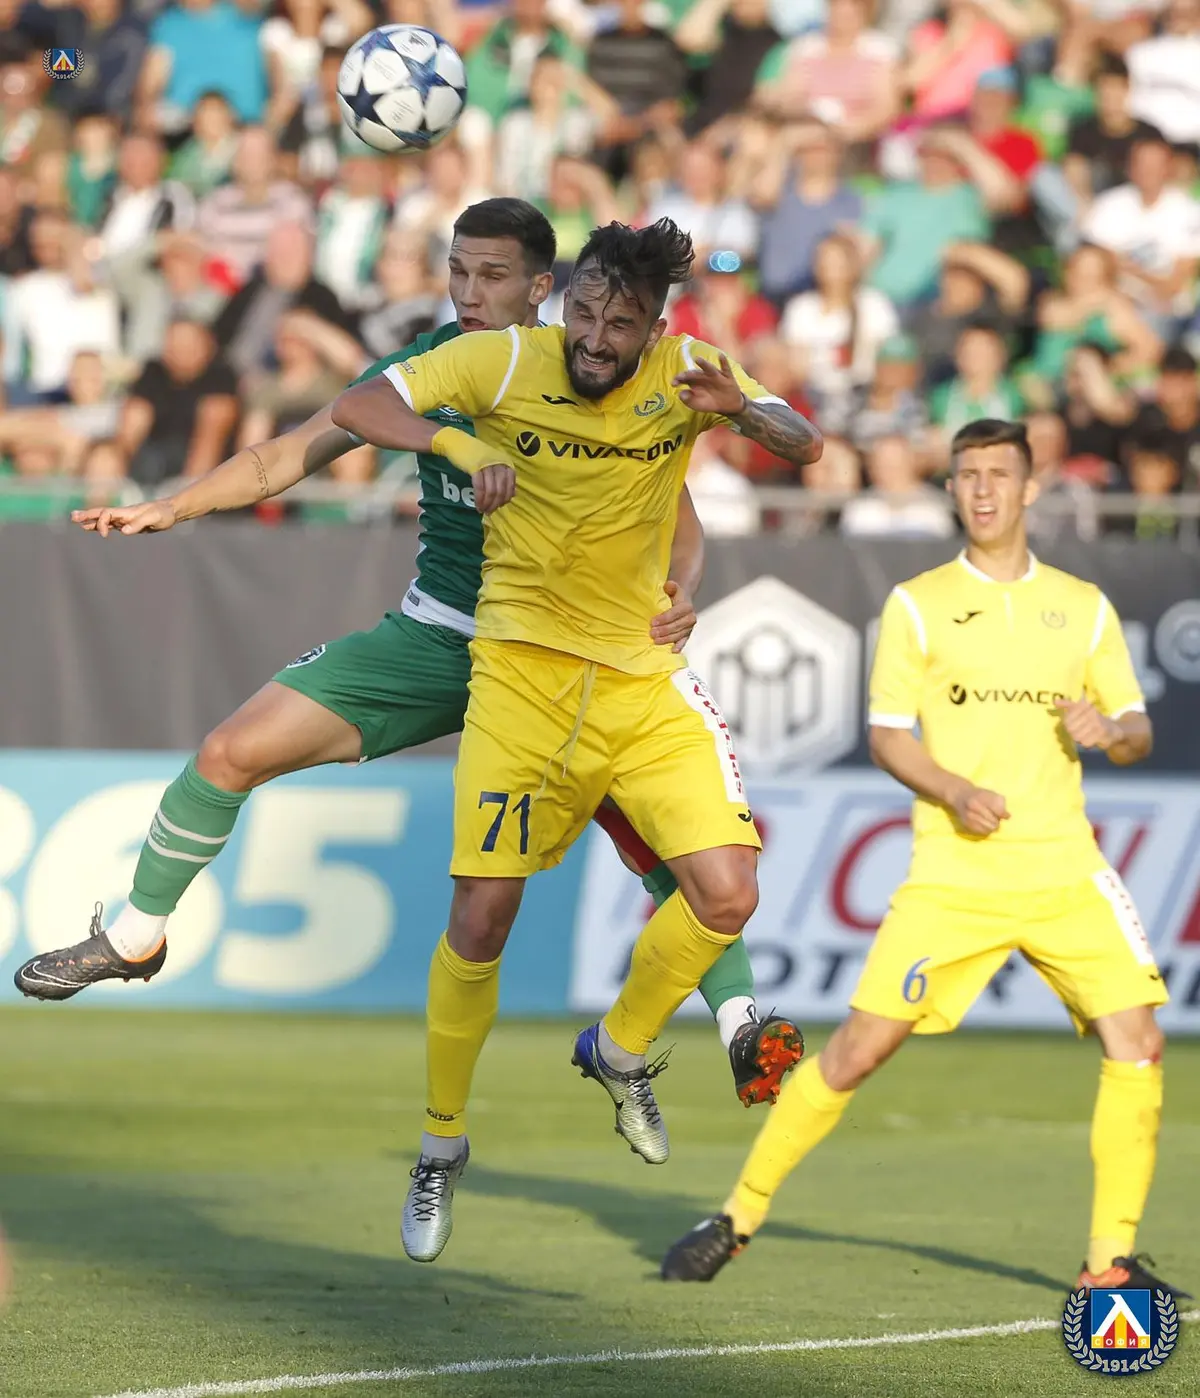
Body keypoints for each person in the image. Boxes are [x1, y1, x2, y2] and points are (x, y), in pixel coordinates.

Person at [14, 199, 800, 1164]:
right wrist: (174, 506)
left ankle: (730, 1023)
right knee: (230, 751)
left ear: (543, 288)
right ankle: (137, 935)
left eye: (493, 276)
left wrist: (682, 589)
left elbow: (676, 511)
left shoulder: (604, 371)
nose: (469, 292)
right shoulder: (435, 368)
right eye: (458, 272)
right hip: (440, 640)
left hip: (571, 662)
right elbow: (290, 452)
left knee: (678, 862)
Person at [331, 216, 822, 1264]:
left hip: (642, 683)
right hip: (521, 678)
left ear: (657, 329)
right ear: (564, 301)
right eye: (585, 313)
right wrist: (455, 440)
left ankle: (621, 1047)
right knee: (482, 918)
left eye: (621, 323)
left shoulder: (690, 372)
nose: (596, 338)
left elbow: (804, 441)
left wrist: (743, 409)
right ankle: (442, 1143)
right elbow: (358, 405)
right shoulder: (505, 359)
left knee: (727, 893)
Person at [661, 417, 1188, 1304]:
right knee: (856, 1053)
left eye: (999, 474)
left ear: (1029, 488)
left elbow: (1135, 729)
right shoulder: (918, 603)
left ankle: (1109, 1261)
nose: (983, 489)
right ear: (950, 489)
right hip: (954, 876)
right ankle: (736, 1217)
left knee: (1137, 1043)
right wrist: (953, 788)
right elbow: (887, 735)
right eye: (968, 474)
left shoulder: (1083, 606)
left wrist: (1111, 731)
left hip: (1066, 869)